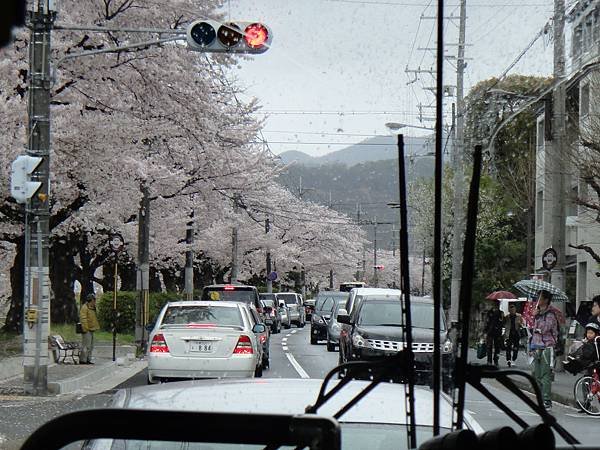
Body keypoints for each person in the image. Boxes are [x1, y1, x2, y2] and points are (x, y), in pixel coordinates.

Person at [529, 290, 558, 410]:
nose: (537, 300)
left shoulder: (550, 314)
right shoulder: (537, 313)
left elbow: (545, 328)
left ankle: (547, 401)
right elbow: (532, 329)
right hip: (536, 346)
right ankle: (540, 398)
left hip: (546, 347)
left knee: (545, 375)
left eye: (540, 298)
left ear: (545, 300)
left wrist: (538, 315)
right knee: (536, 375)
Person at [79, 293, 100, 364]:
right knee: (86, 345)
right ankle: (83, 360)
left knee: (91, 346)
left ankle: (88, 359)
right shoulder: (85, 308)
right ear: (90, 300)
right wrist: (85, 328)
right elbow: (83, 319)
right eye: (94, 300)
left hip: (91, 328)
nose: (95, 302)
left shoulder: (92, 308)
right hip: (87, 329)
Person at [483, 300, 504, 366]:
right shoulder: (489, 312)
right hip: (490, 332)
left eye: (497, 304)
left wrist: (502, 317)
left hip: (498, 332)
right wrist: (485, 331)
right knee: (489, 347)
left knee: (497, 347)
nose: (496, 305)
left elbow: (502, 322)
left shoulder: (501, 313)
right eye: (495, 304)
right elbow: (486, 322)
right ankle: (489, 361)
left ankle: (496, 360)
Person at [503, 303, 524, 367]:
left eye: (513, 310)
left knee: (516, 348)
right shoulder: (507, 317)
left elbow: (523, 325)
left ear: (515, 310)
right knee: (508, 347)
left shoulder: (519, 316)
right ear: (509, 310)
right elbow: (503, 323)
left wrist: (520, 324)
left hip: (516, 334)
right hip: (508, 334)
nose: (512, 311)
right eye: (510, 310)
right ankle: (508, 360)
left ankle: (514, 359)